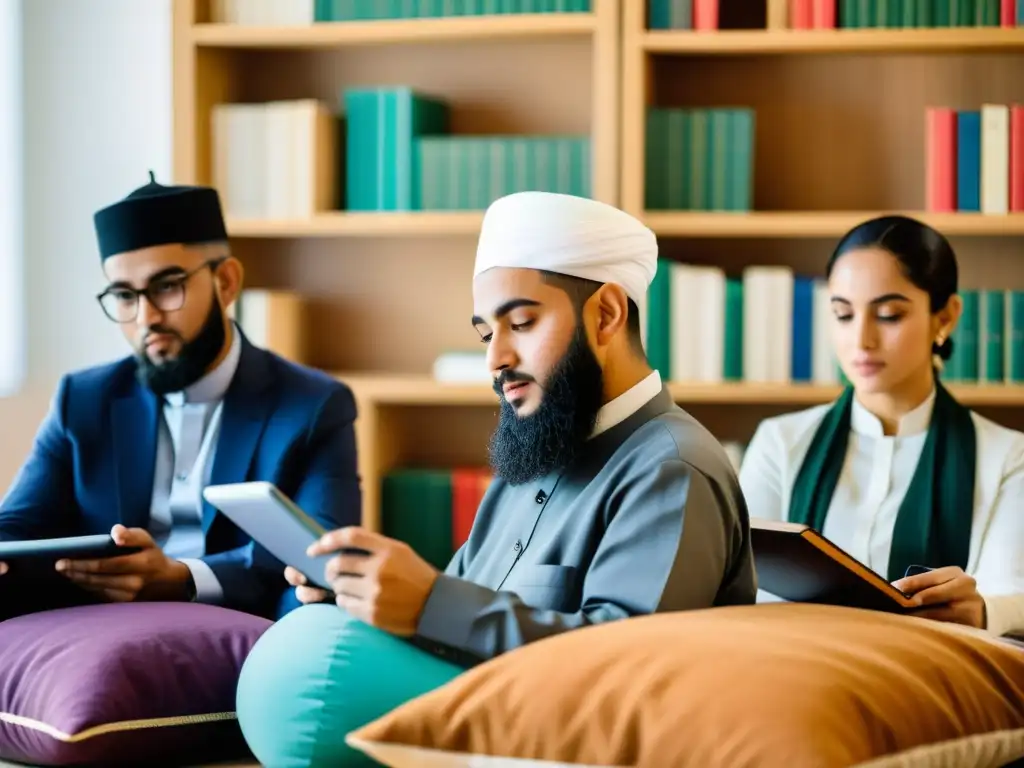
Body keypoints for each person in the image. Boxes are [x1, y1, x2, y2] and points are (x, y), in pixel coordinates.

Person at [285, 190, 758, 664]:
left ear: (606, 314)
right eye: (487, 334)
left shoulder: (673, 468)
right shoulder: (532, 460)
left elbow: (625, 665)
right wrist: (368, 602)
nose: (495, 358)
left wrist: (430, 604)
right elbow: (456, 630)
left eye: (523, 322)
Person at [0, 173, 362, 622]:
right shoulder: (83, 399)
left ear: (226, 283)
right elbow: (16, 526)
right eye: (124, 296)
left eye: (167, 287)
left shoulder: (313, 406)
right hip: (94, 623)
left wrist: (182, 576)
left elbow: (321, 560)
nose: (146, 317)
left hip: (235, 624)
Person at [739, 215, 1024, 638]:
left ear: (944, 317)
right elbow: (744, 586)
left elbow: (1011, 591)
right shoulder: (780, 442)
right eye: (843, 314)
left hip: (936, 677)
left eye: (889, 315)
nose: (862, 340)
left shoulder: (1007, 456)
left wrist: (980, 609)